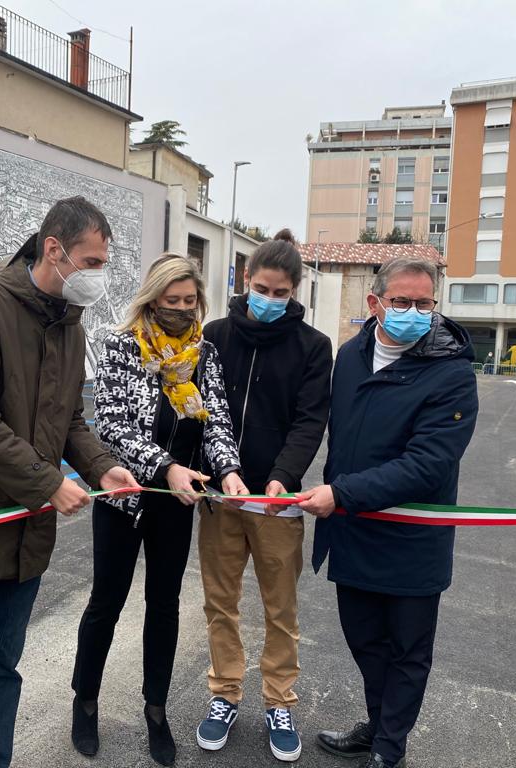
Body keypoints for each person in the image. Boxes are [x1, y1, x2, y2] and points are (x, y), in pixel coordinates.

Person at [0, 196, 138, 768]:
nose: (98, 277)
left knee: (1, 673)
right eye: (91, 262)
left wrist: (101, 465)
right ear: (54, 250)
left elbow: (69, 421)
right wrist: (46, 483)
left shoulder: (70, 326)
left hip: (25, 537)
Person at [299, 257, 479, 768]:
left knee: (407, 651)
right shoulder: (352, 356)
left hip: (411, 541)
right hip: (354, 534)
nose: (413, 312)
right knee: (365, 641)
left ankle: (389, 747)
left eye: (424, 304)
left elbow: (428, 465)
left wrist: (340, 494)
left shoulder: (452, 374)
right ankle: (377, 725)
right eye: (401, 302)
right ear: (375, 304)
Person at [70, 254, 249, 766]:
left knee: (164, 606)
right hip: (125, 497)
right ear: (152, 299)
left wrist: (229, 469)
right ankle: (85, 700)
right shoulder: (123, 347)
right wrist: (165, 466)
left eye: (189, 301)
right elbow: (112, 426)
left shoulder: (204, 355)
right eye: (171, 302)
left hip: (178, 501)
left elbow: (215, 423)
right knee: (106, 601)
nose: (181, 310)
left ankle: (156, 708)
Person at [196, 232, 333, 762]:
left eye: (280, 292)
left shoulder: (313, 347)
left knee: (281, 609)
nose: (269, 299)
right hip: (221, 497)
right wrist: (218, 471)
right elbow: (205, 410)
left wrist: (282, 477)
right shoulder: (215, 336)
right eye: (261, 288)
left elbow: (309, 421)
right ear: (243, 281)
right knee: (220, 603)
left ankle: (279, 701)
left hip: (278, 504)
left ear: (294, 290)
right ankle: (224, 694)